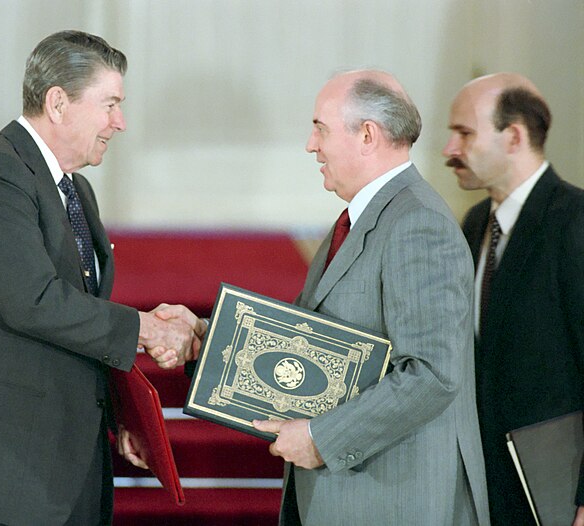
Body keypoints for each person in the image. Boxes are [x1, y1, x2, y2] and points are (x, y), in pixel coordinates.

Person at [0, 30, 200, 525]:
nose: (120, 122)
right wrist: (147, 329)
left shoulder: (75, 190)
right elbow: (34, 301)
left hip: (67, 468)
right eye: (109, 104)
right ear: (59, 102)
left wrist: (118, 414)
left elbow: (73, 321)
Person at [246, 70, 490, 525]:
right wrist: (204, 341)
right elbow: (301, 336)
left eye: (320, 128)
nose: (310, 144)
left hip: (399, 502)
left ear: (367, 135)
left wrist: (322, 438)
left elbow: (432, 373)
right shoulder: (362, 218)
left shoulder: (418, 224)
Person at [443, 73, 584, 526]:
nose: (450, 149)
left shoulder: (574, 222)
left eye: (464, 133)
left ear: (514, 137)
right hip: (487, 487)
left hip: (553, 490)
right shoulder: (474, 222)